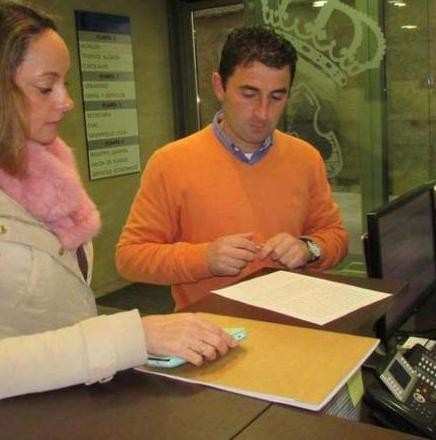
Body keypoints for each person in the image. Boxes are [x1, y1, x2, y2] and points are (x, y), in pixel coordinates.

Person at [0, 0, 236, 427]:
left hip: (72, 404)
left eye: (65, 83)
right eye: (46, 87)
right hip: (2, 425)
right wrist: (133, 336)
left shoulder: (41, 165)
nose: (66, 102)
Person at [116, 26, 348, 309]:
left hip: (293, 321)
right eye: (249, 94)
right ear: (219, 86)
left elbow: (335, 237)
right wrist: (205, 259)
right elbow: (130, 258)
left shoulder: (305, 158)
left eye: (276, 97)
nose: (262, 113)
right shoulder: (170, 162)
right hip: (208, 332)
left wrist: (309, 248)